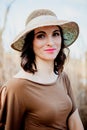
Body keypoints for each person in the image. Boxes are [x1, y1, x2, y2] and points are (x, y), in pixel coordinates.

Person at [0, 9, 84, 130]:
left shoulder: (63, 77)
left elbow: (75, 122)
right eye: (41, 36)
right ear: (30, 42)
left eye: (55, 34)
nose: (50, 42)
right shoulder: (16, 88)